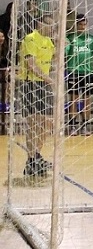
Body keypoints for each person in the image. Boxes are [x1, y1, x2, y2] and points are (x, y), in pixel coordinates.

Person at [18, 15, 55, 176]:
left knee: (47, 123)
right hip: (31, 84)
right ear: (40, 24)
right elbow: (31, 64)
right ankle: (32, 159)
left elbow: (53, 62)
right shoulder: (30, 39)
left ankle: (35, 157)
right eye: (50, 25)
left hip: (45, 85)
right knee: (33, 124)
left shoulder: (49, 41)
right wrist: (48, 79)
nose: (52, 28)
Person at [65, 14, 93, 135]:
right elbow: (65, 52)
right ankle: (73, 126)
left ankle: (85, 125)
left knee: (86, 100)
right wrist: (64, 47)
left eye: (84, 25)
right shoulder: (70, 38)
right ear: (76, 25)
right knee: (74, 100)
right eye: (80, 25)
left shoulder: (92, 39)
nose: (83, 27)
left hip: (87, 73)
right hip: (74, 72)